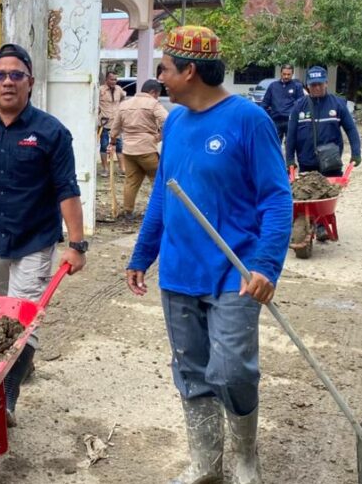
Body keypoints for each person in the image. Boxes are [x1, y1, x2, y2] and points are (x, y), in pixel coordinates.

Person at [125, 26, 292, 484]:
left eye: (165, 69)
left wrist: (266, 265)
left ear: (189, 72)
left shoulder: (248, 120)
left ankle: (246, 458)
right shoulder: (175, 122)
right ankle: (205, 463)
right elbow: (163, 194)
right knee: (191, 369)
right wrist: (142, 254)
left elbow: (277, 198)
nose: (160, 77)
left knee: (233, 370)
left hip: (235, 274)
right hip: (179, 272)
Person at [0, 43, 88, 424]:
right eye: (0, 75)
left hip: (35, 241)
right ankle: (20, 363)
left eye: (16, 75)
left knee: (22, 318)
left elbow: (66, 190)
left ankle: (6, 399)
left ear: (30, 82)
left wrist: (76, 244)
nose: (8, 82)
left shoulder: (51, 132)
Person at [285, 65, 362, 178]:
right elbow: (291, 135)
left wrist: (356, 153)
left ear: (326, 83)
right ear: (308, 85)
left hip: (331, 162)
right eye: (313, 85)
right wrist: (290, 159)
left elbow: (351, 129)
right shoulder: (298, 106)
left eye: (320, 84)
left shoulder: (338, 104)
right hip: (306, 163)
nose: (317, 88)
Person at [109, 79, 169, 222]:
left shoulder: (124, 104)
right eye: (157, 95)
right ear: (153, 92)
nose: (157, 98)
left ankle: (128, 212)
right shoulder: (153, 104)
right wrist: (160, 136)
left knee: (131, 182)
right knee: (158, 180)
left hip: (129, 150)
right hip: (147, 149)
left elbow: (115, 128)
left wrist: (112, 142)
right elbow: (168, 120)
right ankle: (163, 210)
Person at [261, 64, 304, 144]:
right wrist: (263, 115)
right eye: (284, 74)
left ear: (292, 74)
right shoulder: (273, 86)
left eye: (288, 74)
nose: (286, 76)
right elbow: (265, 103)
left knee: (291, 145)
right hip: (275, 121)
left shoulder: (297, 86)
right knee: (274, 145)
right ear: (281, 73)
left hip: (290, 121)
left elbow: (301, 103)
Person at [99, 71, 126, 175]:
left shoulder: (119, 89)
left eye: (115, 79)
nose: (114, 81)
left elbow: (123, 98)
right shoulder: (100, 90)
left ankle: (122, 169)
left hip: (117, 123)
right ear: (106, 79)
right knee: (104, 146)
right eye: (112, 79)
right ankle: (105, 169)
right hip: (105, 123)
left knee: (119, 146)